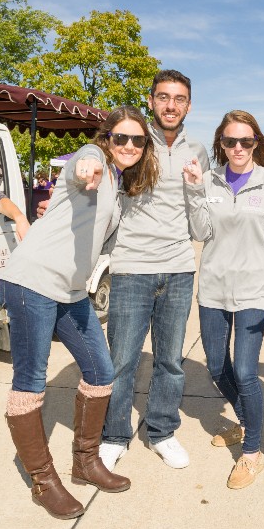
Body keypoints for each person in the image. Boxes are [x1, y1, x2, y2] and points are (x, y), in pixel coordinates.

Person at [0, 106, 157, 519]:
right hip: (31, 281)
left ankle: (85, 463)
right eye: (120, 137)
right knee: (30, 381)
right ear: (107, 139)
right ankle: (43, 481)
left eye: (137, 140)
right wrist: (85, 166)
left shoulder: (119, 188)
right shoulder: (94, 160)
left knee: (101, 372)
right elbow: (80, 167)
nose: (128, 145)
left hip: (70, 291)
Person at [99, 70, 211, 472]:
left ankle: (162, 431)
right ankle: (113, 434)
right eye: (163, 97)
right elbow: (97, 171)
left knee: (170, 361)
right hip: (131, 269)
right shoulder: (131, 141)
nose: (170, 105)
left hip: (179, 269)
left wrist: (198, 189)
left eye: (179, 98)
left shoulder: (198, 149)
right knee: (122, 361)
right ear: (150, 100)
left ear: (189, 106)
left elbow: (203, 225)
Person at [182, 110, 264, 489]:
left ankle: (252, 453)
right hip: (214, 288)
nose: (238, 148)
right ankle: (246, 420)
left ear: (256, 144)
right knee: (217, 367)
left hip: (253, 289)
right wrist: (195, 190)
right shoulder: (209, 179)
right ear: (220, 143)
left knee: (247, 372)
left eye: (245, 141)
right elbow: (200, 231)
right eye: (230, 141)